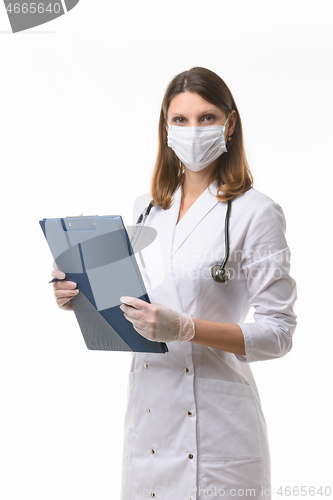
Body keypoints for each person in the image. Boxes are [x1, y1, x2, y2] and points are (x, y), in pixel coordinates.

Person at [51, 67, 297, 500]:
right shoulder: (146, 208)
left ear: (230, 123)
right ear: (165, 127)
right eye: (180, 120)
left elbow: (279, 333)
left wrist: (187, 329)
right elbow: (135, 305)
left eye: (207, 118)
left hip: (218, 426)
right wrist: (81, 295)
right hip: (149, 417)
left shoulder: (256, 212)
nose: (193, 130)